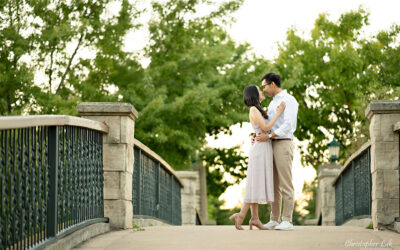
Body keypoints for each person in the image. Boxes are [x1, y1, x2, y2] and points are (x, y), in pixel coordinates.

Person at [229, 84, 285, 230]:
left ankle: (254, 218)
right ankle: (241, 215)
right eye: (259, 91)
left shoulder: (256, 109)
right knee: (254, 183)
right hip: (260, 150)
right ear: (254, 94)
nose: (262, 92)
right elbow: (266, 128)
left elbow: (262, 128)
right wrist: (279, 113)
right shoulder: (253, 109)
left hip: (262, 147)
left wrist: (255, 134)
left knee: (255, 183)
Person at [255, 72, 299, 231]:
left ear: (272, 84)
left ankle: (287, 219)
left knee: (285, 182)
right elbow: (269, 123)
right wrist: (260, 135)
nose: (263, 89)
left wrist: (269, 135)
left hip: (283, 143)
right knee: (273, 184)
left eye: (264, 86)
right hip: (271, 142)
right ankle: (274, 219)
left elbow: (289, 125)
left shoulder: (289, 100)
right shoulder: (273, 103)